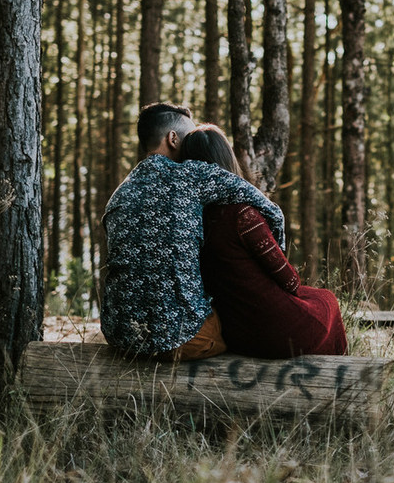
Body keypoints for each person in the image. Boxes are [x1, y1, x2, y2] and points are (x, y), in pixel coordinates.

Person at [101, 102, 287, 361]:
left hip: (120, 336)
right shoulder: (191, 175)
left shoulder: (119, 195)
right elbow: (271, 211)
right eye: (190, 137)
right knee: (239, 326)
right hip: (182, 339)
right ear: (173, 139)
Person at [180, 124, 348, 359]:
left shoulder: (185, 219)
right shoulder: (243, 214)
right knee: (327, 299)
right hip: (276, 332)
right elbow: (290, 281)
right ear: (227, 161)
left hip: (233, 333)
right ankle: (339, 384)